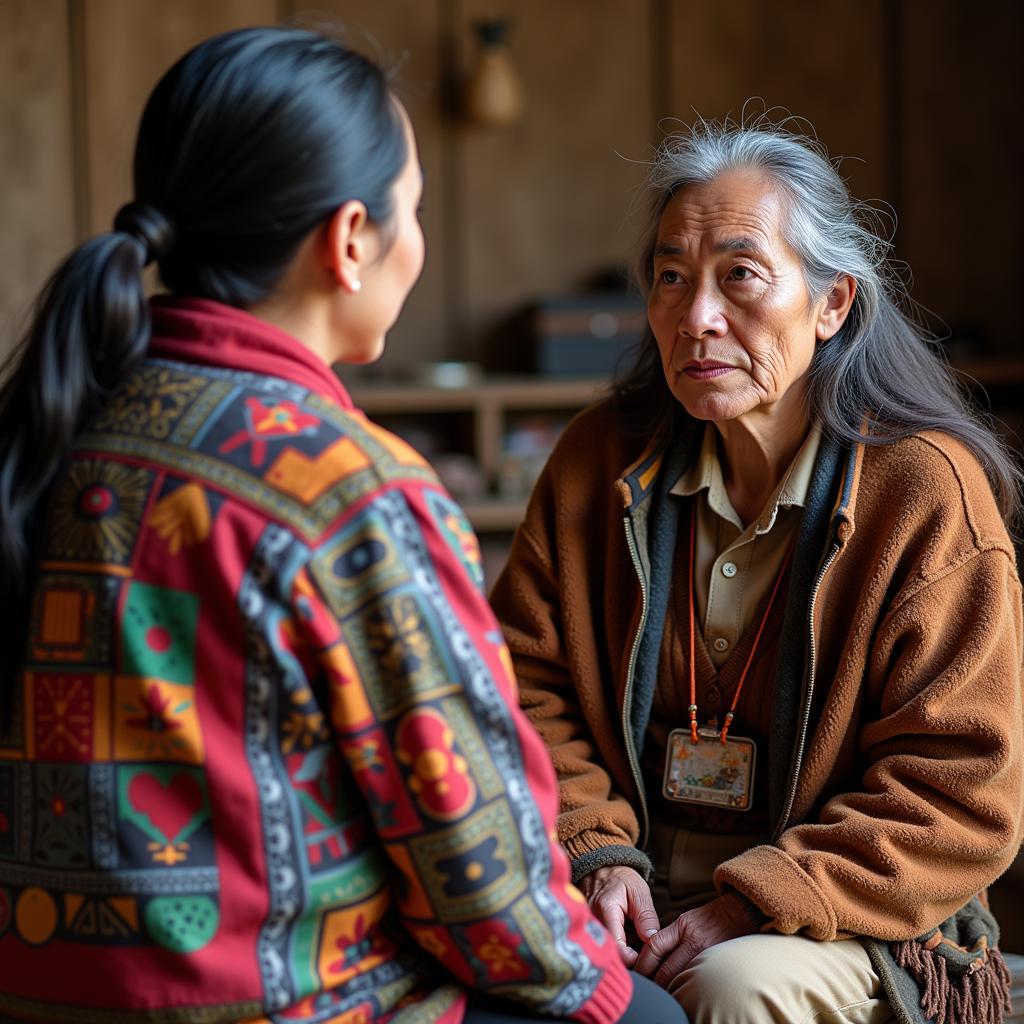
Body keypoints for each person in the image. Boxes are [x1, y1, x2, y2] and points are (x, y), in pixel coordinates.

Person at [0, 27, 685, 1024]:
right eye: (414, 207)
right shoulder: (348, 487)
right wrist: (608, 981)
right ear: (351, 238)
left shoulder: (56, 424)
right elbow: (478, 869)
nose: (419, 237)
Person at [490, 117, 1024, 1024]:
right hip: (626, 887)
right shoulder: (597, 460)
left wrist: (754, 901)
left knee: (733, 987)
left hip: (838, 914)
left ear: (832, 305)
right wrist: (597, 853)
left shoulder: (924, 493)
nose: (696, 317)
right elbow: (520, 691)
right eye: (670, 278)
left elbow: (960, 788)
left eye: (739, 275)